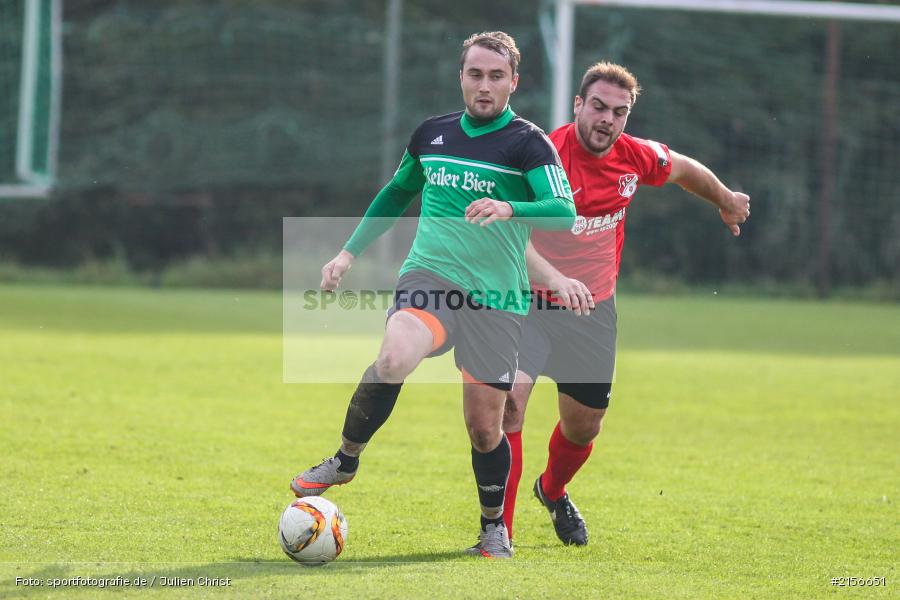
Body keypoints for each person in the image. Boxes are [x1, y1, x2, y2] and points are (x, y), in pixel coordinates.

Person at [291, 31, 576, 559]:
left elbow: (564, 211)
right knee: (394, 356)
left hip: (497, 299)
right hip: (432, 277)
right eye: (475, 74)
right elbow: (398, 191)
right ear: (461, 77)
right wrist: (347, 253)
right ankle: (345, 459)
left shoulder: (528, 143)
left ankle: (493, 527)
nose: (484, 85)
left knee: (484, 425)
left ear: (514, 81)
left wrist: (511, 208)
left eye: (496, 76)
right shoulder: (432, 135)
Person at [501, 62, 751, 546]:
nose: (607, 119)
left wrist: (723, 199)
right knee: (510, 403)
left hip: (591, 311)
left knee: (583, 427)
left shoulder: (635, 157)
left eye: (619, 112)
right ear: (578, 105)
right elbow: (513, 237)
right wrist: (554, 279)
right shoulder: (544, 157)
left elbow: (683, 169)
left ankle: (552, 490)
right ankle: (498, 537)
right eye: (598, 107)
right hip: (527, 301)